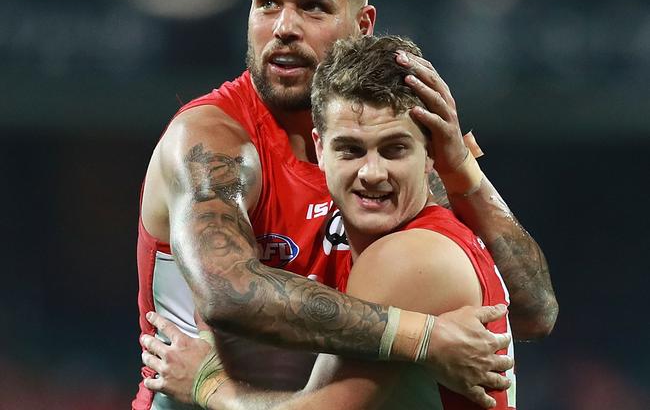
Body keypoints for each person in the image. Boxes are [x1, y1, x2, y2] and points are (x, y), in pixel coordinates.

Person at [134, 0, 557, 409]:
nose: (283, 27)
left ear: (362, 25)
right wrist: (425, 336)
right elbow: (228, 294)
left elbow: (530, 313)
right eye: (267, 2)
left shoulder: (380, 151)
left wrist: (462, 169)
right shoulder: (212, 141)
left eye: (313, 7)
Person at [142, 35, 519, 410]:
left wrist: (208, 387)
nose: (372, 172)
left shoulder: (404, 258)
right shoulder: (429, 238)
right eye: (350, 150)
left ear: (431, 154)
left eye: (394, 150)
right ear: (320, 149)